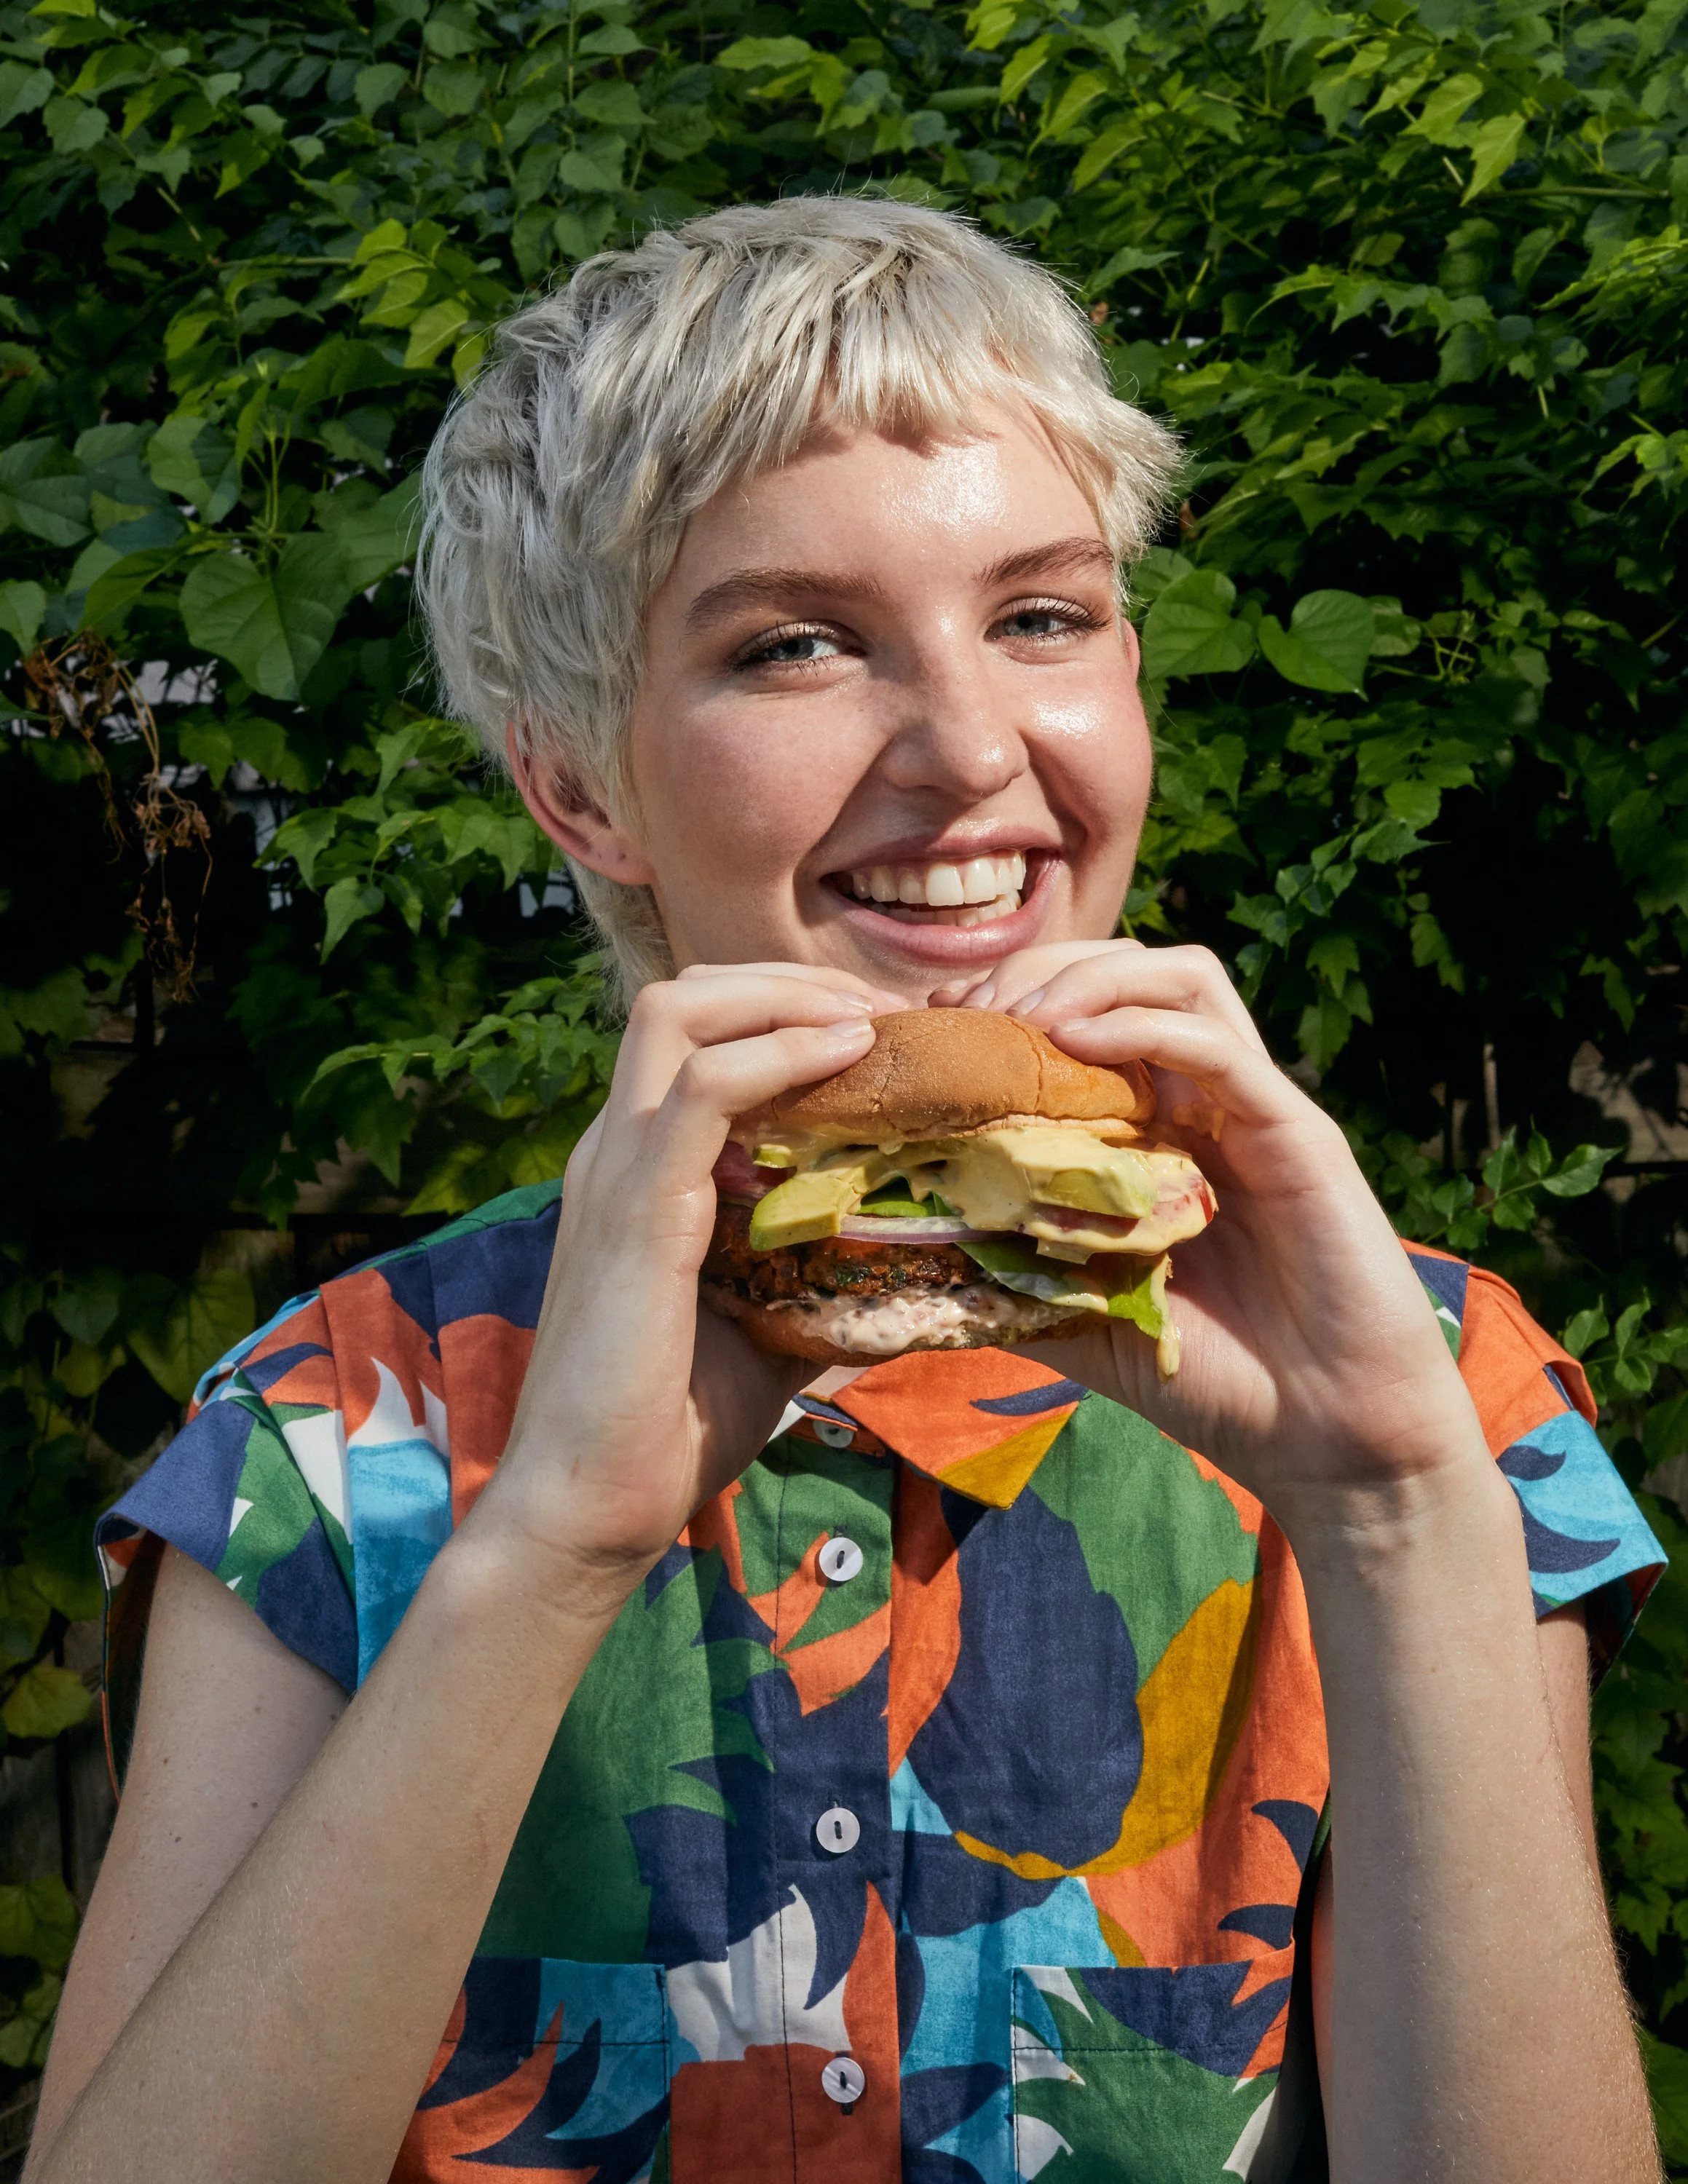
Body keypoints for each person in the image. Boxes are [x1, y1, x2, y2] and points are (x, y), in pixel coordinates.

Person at [24, 199, 1665, 2184]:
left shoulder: (1435, 1394)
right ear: (576, 784)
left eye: (1041, 616)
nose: (972, 750)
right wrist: (542, 1548)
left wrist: (1395, 1517)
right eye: (792, 644)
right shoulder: (334, 1431)